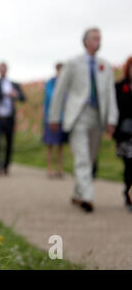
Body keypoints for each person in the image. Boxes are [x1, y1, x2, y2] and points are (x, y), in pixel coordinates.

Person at [48, 27, 118, 213]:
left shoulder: (105, 65)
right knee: (82, 157)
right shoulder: (73, 63)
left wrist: (112, 120)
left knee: (91, 157)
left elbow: (110, 94)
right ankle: (87, 196)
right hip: (78, 115)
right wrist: (54, 117)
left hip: (98, 116)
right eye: (95, 38)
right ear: (86, 41)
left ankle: (78, 193)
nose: (98, 41)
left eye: (100, 38)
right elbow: (59, 90)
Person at [0, 62, 26, 176]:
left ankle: (5, 166)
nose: (2, 70)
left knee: (9, 143)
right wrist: (6, 93)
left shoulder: (13, 84)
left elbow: (23, 97)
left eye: (4, 69)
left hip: (9, 118)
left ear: (7, 70)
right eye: (1, 69)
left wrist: (16, 95)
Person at [43, 63, 68, 179]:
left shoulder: (66, 83)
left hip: (63, 118)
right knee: (50, 145)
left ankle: (60, 169)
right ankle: (50, 169)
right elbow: (52, 96)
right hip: (51, 118)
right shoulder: (50, 83)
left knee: (61, 146)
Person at [113, 56, 132, 212]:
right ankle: (128, 193)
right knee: (129, 165)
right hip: (125, 133)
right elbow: (114, 109)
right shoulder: (119, 87)